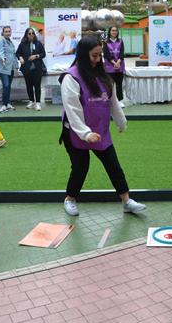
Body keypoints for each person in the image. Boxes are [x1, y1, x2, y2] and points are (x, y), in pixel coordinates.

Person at [59, 35, 146, 217]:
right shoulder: (71, 78)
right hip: (76, 133)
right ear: (83, 55)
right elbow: (72, 111)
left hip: (100, 131)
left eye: (100, 55)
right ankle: (70, 199)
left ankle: (126, 201)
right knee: (80, 167)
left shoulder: (104, 77)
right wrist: (85, 133)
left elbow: (113, 103)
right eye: (94, 56)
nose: (98, 60)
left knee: (113, 165)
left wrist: (121, 122)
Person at [16, 27, 46, 111]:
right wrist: (20, 58)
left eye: (32, 33)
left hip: (37, 68)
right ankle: (31, 101)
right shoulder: (22, 44)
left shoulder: (38, 43)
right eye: (29, 33)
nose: (31, 35)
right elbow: (17, 53)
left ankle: (38, 103)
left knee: (37, 85)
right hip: (26, 68)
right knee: (29, 86)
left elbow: (43, 54)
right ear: (26, 34)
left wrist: (36, 56)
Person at [103, 26, 126, 108]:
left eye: (116, 30)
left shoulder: (121, 41)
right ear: (109, 32)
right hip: (109, 66)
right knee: (110, 85)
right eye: (112, 30)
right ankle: (110, 101)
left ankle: (119, 101)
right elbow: (106, 55)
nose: (114, 32)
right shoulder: (105, 42)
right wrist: (114, 63)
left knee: (119, 84)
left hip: (120, 65)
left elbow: (122, 53)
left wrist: (118, 62)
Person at [0, 26, 16, 112]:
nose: (7, 33)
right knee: (6, 85)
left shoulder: (11, 42)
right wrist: (3, 58)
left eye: (9, 31)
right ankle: (4, 105)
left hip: (10, 68)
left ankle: (7, 103)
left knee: (8, 86)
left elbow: (13, 55)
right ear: (3, 33)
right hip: (3, 68)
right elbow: (0, 51)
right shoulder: (1, 41)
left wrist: (16, 67)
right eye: (6, 31)